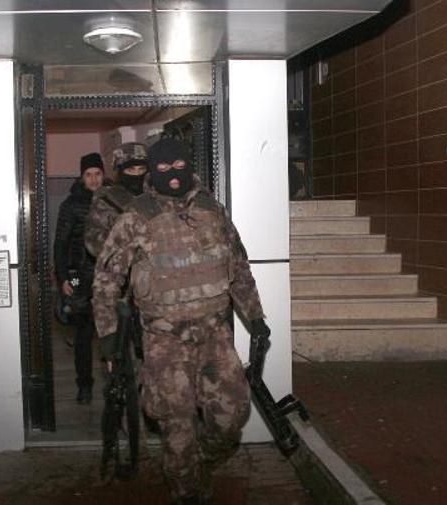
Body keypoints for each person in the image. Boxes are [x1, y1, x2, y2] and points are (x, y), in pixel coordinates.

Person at [93, 138, 271, 504]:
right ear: (152, 172)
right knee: (177, 425)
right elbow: (107, 278)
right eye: (162, 168)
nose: (172, 175)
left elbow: (238, 267)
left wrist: (255, 315)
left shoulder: (212, 210)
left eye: (178, 166)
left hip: (214, 334)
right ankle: (187, 490)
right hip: (165, 340)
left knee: (233, 416)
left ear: (189, 166)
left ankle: (198, 463)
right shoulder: (137, 216)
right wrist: (109, 339)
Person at [54, 152, 104, 405]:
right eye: (88, 174)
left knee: (111, 335)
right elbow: (60, 245)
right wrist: (63, 278)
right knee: (83, 336)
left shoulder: (114, 200)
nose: (93, 179)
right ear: (82, 177)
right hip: (79, 279)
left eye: (98, 174)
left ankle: (116, 386)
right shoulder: (71, 205)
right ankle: (84, 386)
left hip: (110, 279)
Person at [84, 142, 148, 258]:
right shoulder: (107, 200)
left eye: (141, 169)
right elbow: (93, 242)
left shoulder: (154, 196)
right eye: (131, 170)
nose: (137, 174)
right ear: (120, 171)